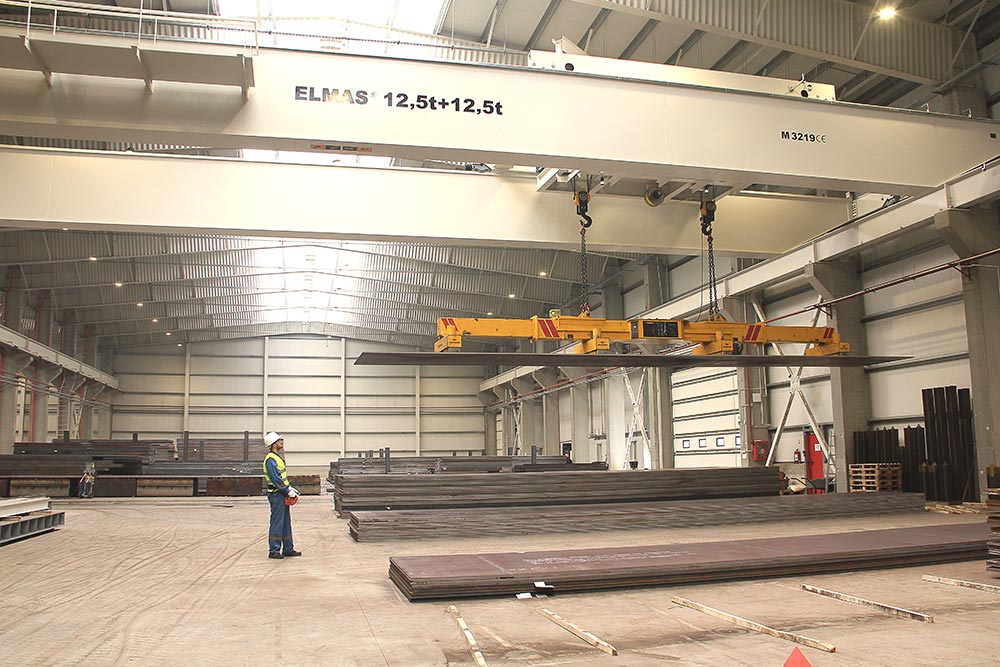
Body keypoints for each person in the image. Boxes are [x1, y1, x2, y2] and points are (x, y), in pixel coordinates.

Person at [263, 431, 301, 560]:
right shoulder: (270, 460)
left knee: (285, 522)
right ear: (274, 444)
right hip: (276, 495)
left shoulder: (277, 457)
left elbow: (281, 477)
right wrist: (286, 490)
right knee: (277, 522)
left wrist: (289, 487)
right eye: (279, 441)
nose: (281, 442)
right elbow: (275, 479)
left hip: (281, 494)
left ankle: (288, 548)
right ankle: (274, 550)